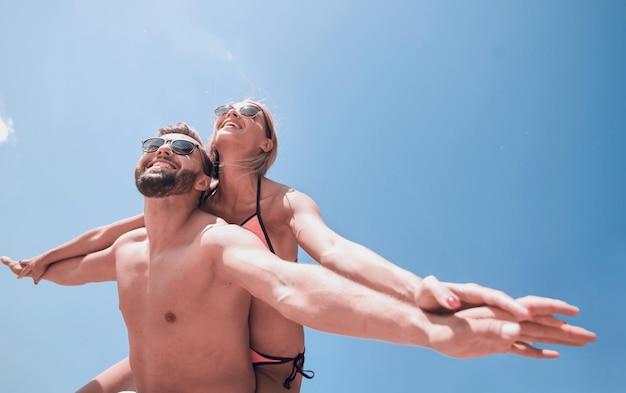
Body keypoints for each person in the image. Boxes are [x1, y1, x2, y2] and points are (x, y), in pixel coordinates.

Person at [14, 105, 595, 392]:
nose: (231, 114)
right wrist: (40, 264)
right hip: (197, 326)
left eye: (249, 113)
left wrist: (421, 306)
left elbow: (326, 263)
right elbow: (113, 236)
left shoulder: (266, 215)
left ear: (266, 143)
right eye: (223, 112)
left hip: (269, 356)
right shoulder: (174, 217)